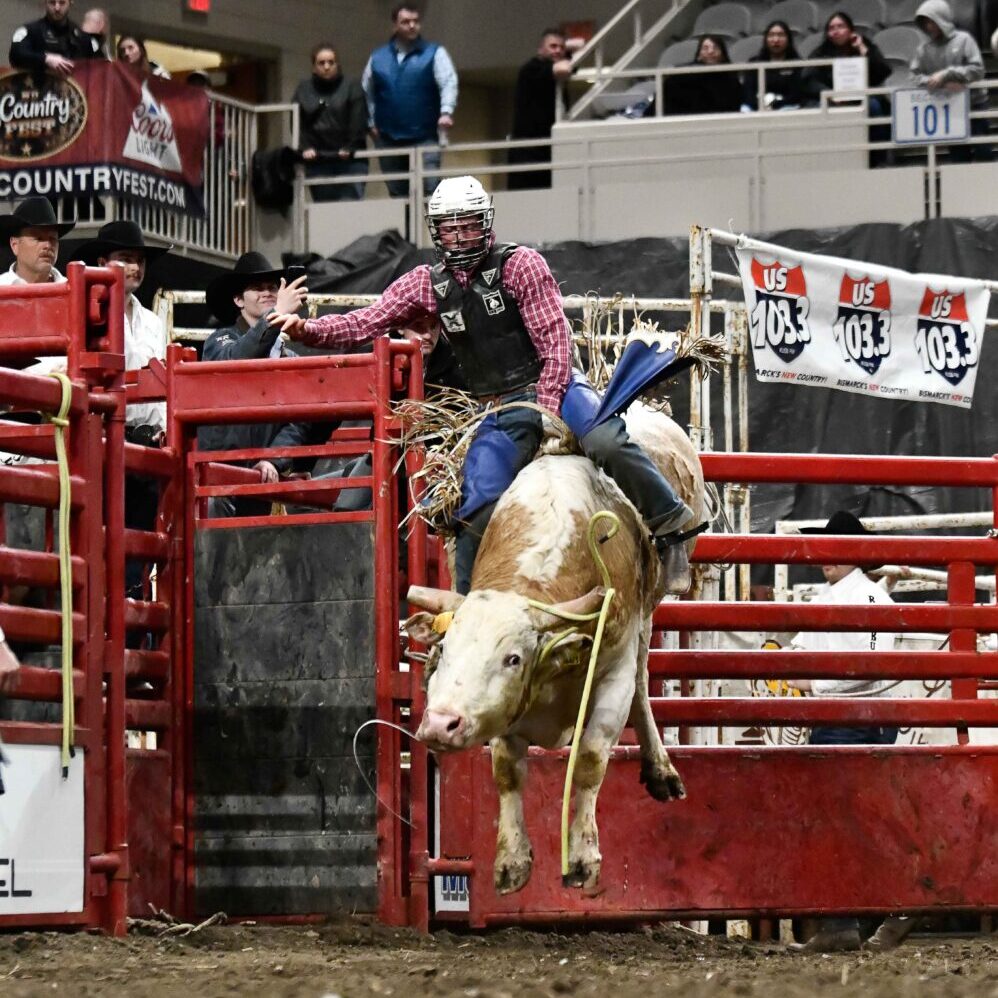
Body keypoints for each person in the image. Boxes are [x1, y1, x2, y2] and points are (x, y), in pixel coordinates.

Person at [270, 175, 696, 595]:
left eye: (468, 224)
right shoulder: (426, 284)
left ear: (485, 224)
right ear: (437, 233)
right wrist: (307, 330)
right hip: (499, 406)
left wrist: (546, 409)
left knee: (606, 439)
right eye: (449, 228)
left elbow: (556, 343)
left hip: (557, 387)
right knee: (475, 505)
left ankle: (671, 523)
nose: (459, 236)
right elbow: (365, 320)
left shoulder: (520, 265)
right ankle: (472, 607)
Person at [786, 510, 900, 953]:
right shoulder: (848, 599)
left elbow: (871, 669)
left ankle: (846, 920)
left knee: (840, 819)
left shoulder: (869, 601)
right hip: (847, 721)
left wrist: (812, 680)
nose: (825, 556)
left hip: (852, 721)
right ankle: (879, 912)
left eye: (835, 546)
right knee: (854, 819)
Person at [201, 253, 329, 518]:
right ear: (238, 300)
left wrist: (274, 458)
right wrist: (277, 313)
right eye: (257, 288)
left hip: (260, 474)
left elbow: (298, 421)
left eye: (272, 287)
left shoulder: (288, 357)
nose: (267, 293)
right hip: (219, 474)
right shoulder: (219, 340)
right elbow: (237, 360)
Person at [362, 4, 458, 198]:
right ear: (395, 26)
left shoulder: (435, 53)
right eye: (406, 22)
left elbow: (448, 82)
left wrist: (446, 112)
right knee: (398, 195)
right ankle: (405, 230)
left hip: (425, 136)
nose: (412, 25)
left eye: (416, 21)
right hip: (388, 139)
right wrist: (370, 123)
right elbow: (366, 92)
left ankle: (434, 230)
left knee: (431, 192)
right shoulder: (377, 58)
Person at [911, 0, 990, 162]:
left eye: (932, 21)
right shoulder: (923, 49)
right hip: (949, 108)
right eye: (925, 22)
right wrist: (936, 82)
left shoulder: (964, 40)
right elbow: (914, 77)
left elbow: (977, 70)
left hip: (974, 104)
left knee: (984, 152)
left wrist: (947, 74)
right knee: (958, 156)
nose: (928, 26)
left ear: (942, 19)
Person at [293, 43, 369, 202]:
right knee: (323, 214)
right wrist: (304, 147)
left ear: (337, 64)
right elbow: (296, 122)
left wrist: (350, 146)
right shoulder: (303, 89)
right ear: (314, 67)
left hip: (350, 162)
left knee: (350, 211)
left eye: (331, 62)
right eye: (321, 63)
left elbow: (358, 119)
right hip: (318, 162)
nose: (326, 66)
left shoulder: (352, 86)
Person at [508, 28, 576, 190]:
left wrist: (568, 48)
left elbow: (581, 45)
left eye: (561, 47)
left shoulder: (555, 67)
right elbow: (563, 69)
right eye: (553, 46)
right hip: (528, 151)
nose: (558, 50)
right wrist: (566, 54)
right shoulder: (531, 68)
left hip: (548, 147)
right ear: (540, 49)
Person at [8, 0, 102, 78]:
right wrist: (45, 59)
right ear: (45, 2)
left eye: (62, 3)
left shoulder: (83, 37)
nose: (57, 8)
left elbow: (102, 67)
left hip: (75, 93)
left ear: (70, 2)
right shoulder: (31, 31)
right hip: (39, 94)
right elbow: (16, 54)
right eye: (52, 2)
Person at [0, 196, 74, 288]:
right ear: (15, 245)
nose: (48, 245)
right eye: (39, 238)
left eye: (53, 238)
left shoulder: (72, 290)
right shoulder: (2, 287)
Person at [664, 35, 743, 116]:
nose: (711, 51)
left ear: (723, 54)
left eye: (715, 48)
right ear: (699, 55)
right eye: (705, 48)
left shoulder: (731, 79)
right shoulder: (681, 77)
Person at [742, 20, 807, 111]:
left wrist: (775, 104)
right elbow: (748, 92)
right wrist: (760, 104)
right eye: (771, 35)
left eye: (781, 35)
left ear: (788, 39)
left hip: (786, 106)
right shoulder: (754, 62)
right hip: (758, 106)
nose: (776, 40)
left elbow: (796, 94)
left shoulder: (797, 63)